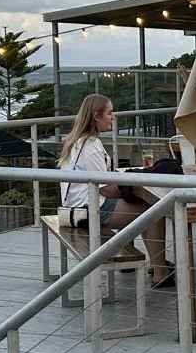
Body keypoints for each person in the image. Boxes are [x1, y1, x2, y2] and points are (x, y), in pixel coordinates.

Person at [58, 94, 174, 288]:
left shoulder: (78, 141)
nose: (113, 116)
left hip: (76, 207)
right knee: (154, 210)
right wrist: (134, 190)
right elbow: (107, 189)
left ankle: (150, 261)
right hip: (89, 210)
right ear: (96, 116)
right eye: (110, 112)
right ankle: (160, 271)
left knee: (135, 205)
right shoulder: (91, 146)